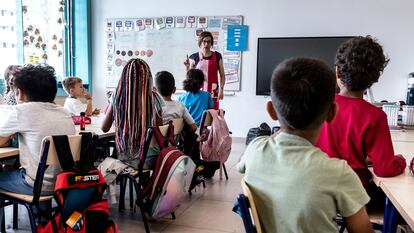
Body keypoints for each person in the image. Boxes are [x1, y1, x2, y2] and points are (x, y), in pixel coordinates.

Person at [237, 57, 373, 233]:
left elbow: (241, 164)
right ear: (332, 113)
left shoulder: (255, 149)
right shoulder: (338, 173)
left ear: (271, 111)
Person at [316, 36, 406, 207]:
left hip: (316, 194)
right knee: (396, 203)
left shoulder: (319, 104)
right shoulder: (375, 116)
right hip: (352, 198)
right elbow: (385, 169)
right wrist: (400, 161)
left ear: (337, 71)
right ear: (374, 79)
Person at [0, 64, 76, 195]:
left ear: (21, 93)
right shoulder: (64, 112)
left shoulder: (21, 111)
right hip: (64, 183)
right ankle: (41, 215)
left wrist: (9, 136)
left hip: (36, 185)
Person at [101, 58, 164, 168]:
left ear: (125, 77)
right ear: (148, 77)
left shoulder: (118, 96)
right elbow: (159, 131)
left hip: (125, 157)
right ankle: (144, 184)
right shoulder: (155, 98)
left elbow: (104, 128)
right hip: (151, 158)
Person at [184, 31, 225, 109]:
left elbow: (222, 75)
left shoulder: (217, 56)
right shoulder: (194, 57)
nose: (206, 44)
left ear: (211, 43)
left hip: (213, 92)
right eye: (204, 41)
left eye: (209, 42)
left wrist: (221, 89)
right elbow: (189, 78)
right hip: (198, 92)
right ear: (200, 42)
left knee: (213, 115)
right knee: (199, 114)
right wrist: (187, 67)